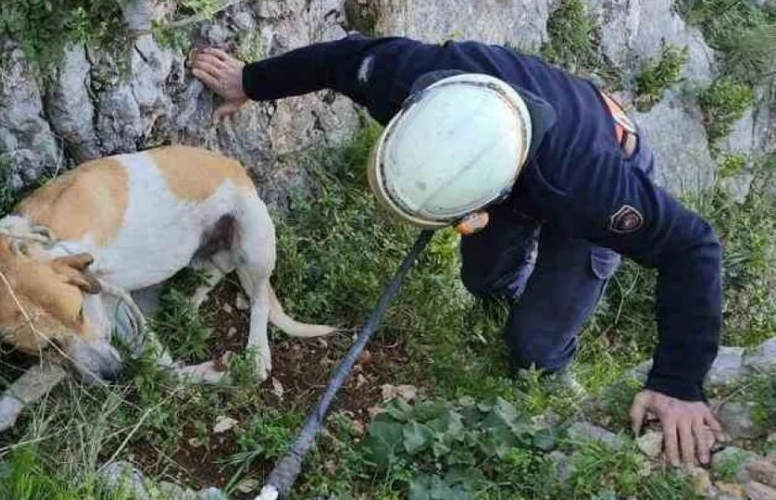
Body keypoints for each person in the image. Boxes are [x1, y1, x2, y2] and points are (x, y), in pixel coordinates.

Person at [187, 32, 726, 467]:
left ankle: (552, 368)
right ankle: (512, 298)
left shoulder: (595, 190)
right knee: (484, 282)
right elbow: (340, 58)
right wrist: (250, 81)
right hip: (516, 156)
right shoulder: (406, 76)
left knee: (532, 347)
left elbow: (693, 248)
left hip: (594, 161)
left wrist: (678, 382)